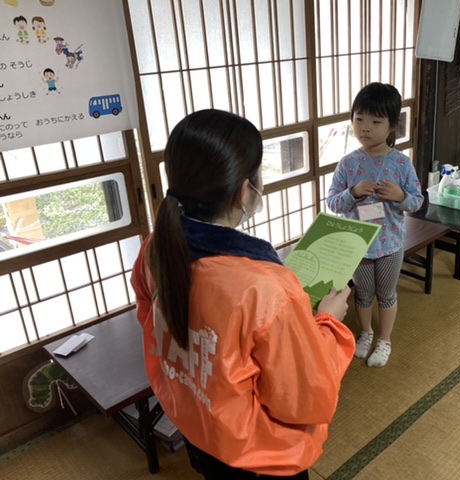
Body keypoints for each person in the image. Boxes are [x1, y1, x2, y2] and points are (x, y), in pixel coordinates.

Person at [130, 109, 355, 479]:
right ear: (245, 190)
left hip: (198, 427)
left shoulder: (155, 249)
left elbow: (150, 323)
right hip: (259, 455)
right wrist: (329, 323)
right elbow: (304, 397)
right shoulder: (264, 288)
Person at [326, 82, 424, 368]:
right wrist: (353, 192)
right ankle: (367, 333)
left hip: (390, 244)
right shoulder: (347, 163)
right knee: (363, 293)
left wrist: (401, 196)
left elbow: (417, 202)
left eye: (375, 121)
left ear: (392, 126)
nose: (365, 128)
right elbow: (332, 203)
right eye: (359, 119)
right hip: (357, 245)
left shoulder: (401, 164)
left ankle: (385, 340)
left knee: (387, 294)